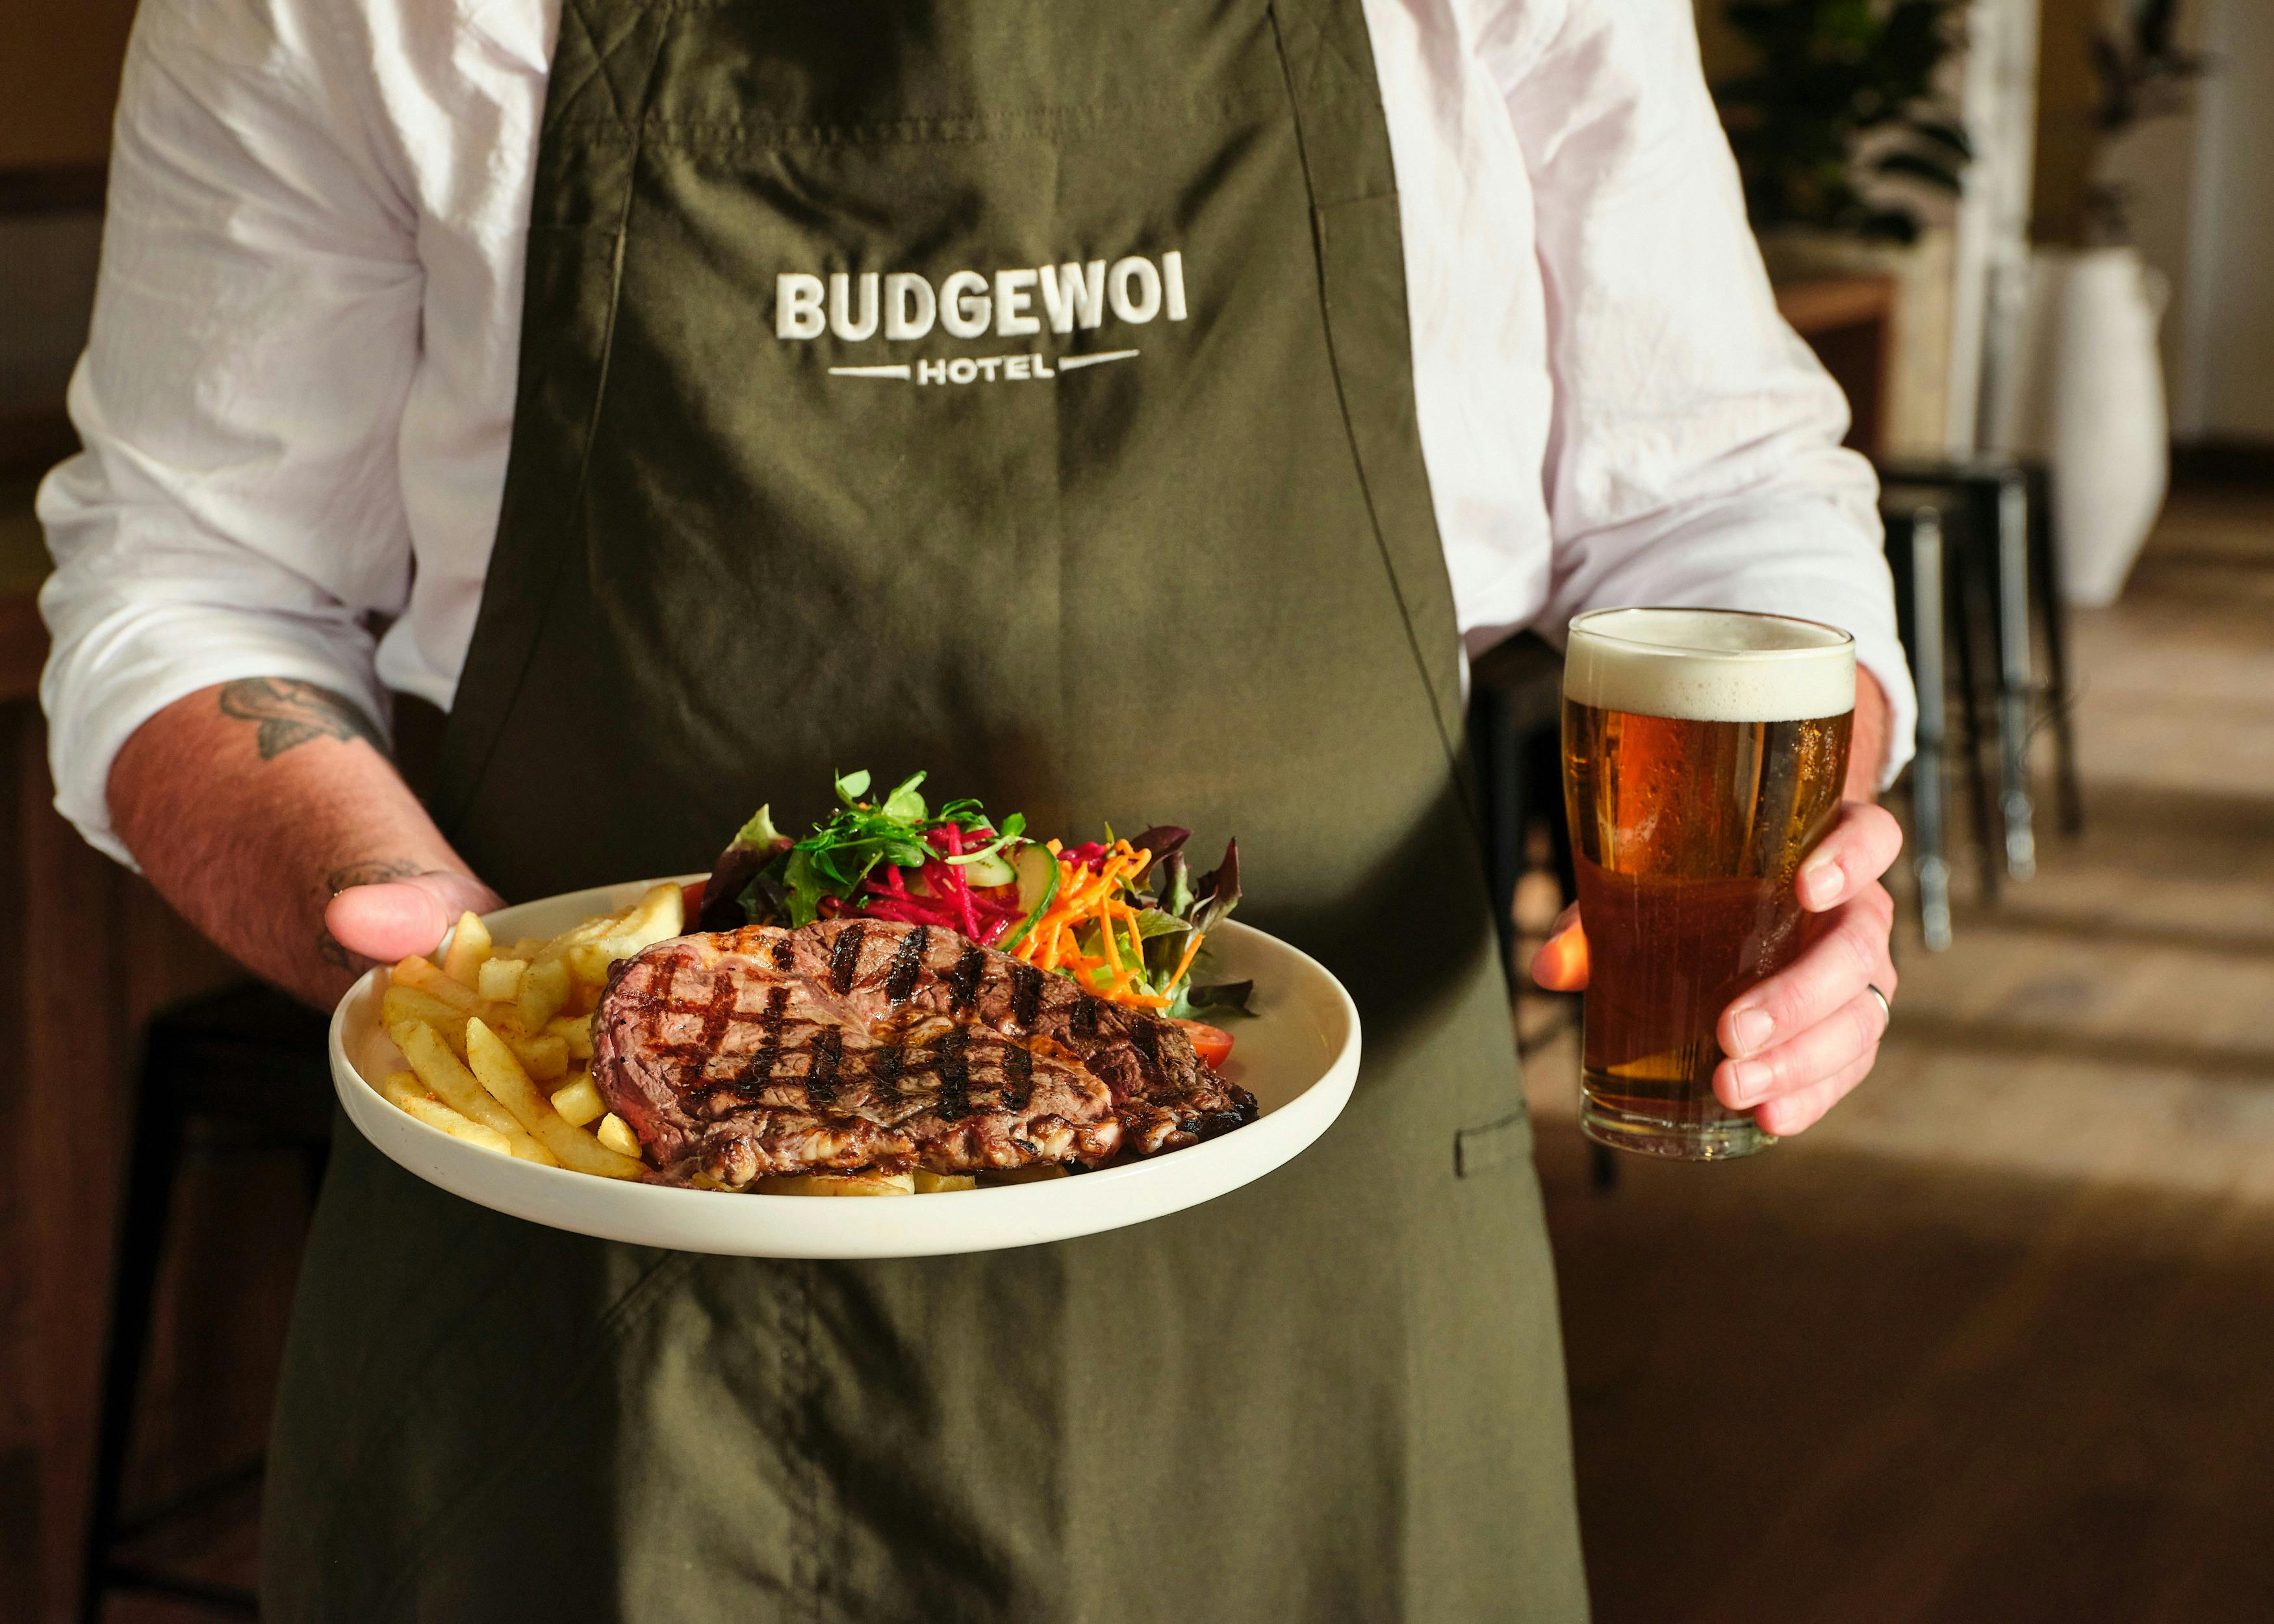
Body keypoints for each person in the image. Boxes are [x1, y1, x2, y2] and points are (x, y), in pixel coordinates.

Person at [39, 0, 1911, 1616]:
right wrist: (415, 939)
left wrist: (1793, 825)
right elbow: (195, 579)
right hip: (610, 1304)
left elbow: (1715, 493)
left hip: (1321, 1317)